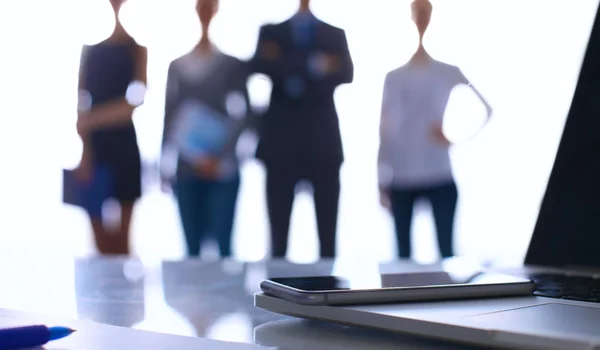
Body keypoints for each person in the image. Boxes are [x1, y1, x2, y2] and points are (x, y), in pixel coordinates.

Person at [378, 0, 492, 259]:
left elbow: (487, 109)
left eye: (425, 12)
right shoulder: (395, 76)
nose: (421, 18)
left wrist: (455, 137)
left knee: (447, 256)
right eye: (417, 12)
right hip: (402, 175)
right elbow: (385, 130)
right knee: (403, 260)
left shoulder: (447, 71)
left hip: (438, 171)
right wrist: (381, 179)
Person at [250, 0, 354, 259]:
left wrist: (284, 59)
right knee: (277, 240)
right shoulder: (270, 31)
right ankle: (275, 296)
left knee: (328, 239)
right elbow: (255, 67)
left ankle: (331, 295)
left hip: (323, 145)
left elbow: (347, 73)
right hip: (279, 147)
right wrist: (316, 63)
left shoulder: (334, 33)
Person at [161, 0, 253, 258]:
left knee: (224, 248)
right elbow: (169, 118)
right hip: (187, 167)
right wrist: (165, 164)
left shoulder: (232, 65)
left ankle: (226, 300)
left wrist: (221, 157)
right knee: (192, 249)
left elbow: (246, 116)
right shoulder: (177, 66)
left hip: (221, 168)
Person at [76, 0, 147, 255]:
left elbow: (136, 100)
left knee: (123, 243)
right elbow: (80, 102)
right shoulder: (90, 49)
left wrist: (93, 120)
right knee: (100, 241)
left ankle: (124, 296)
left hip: (125, 146)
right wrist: (85, 153)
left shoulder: (136, 48)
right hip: (96, 149)